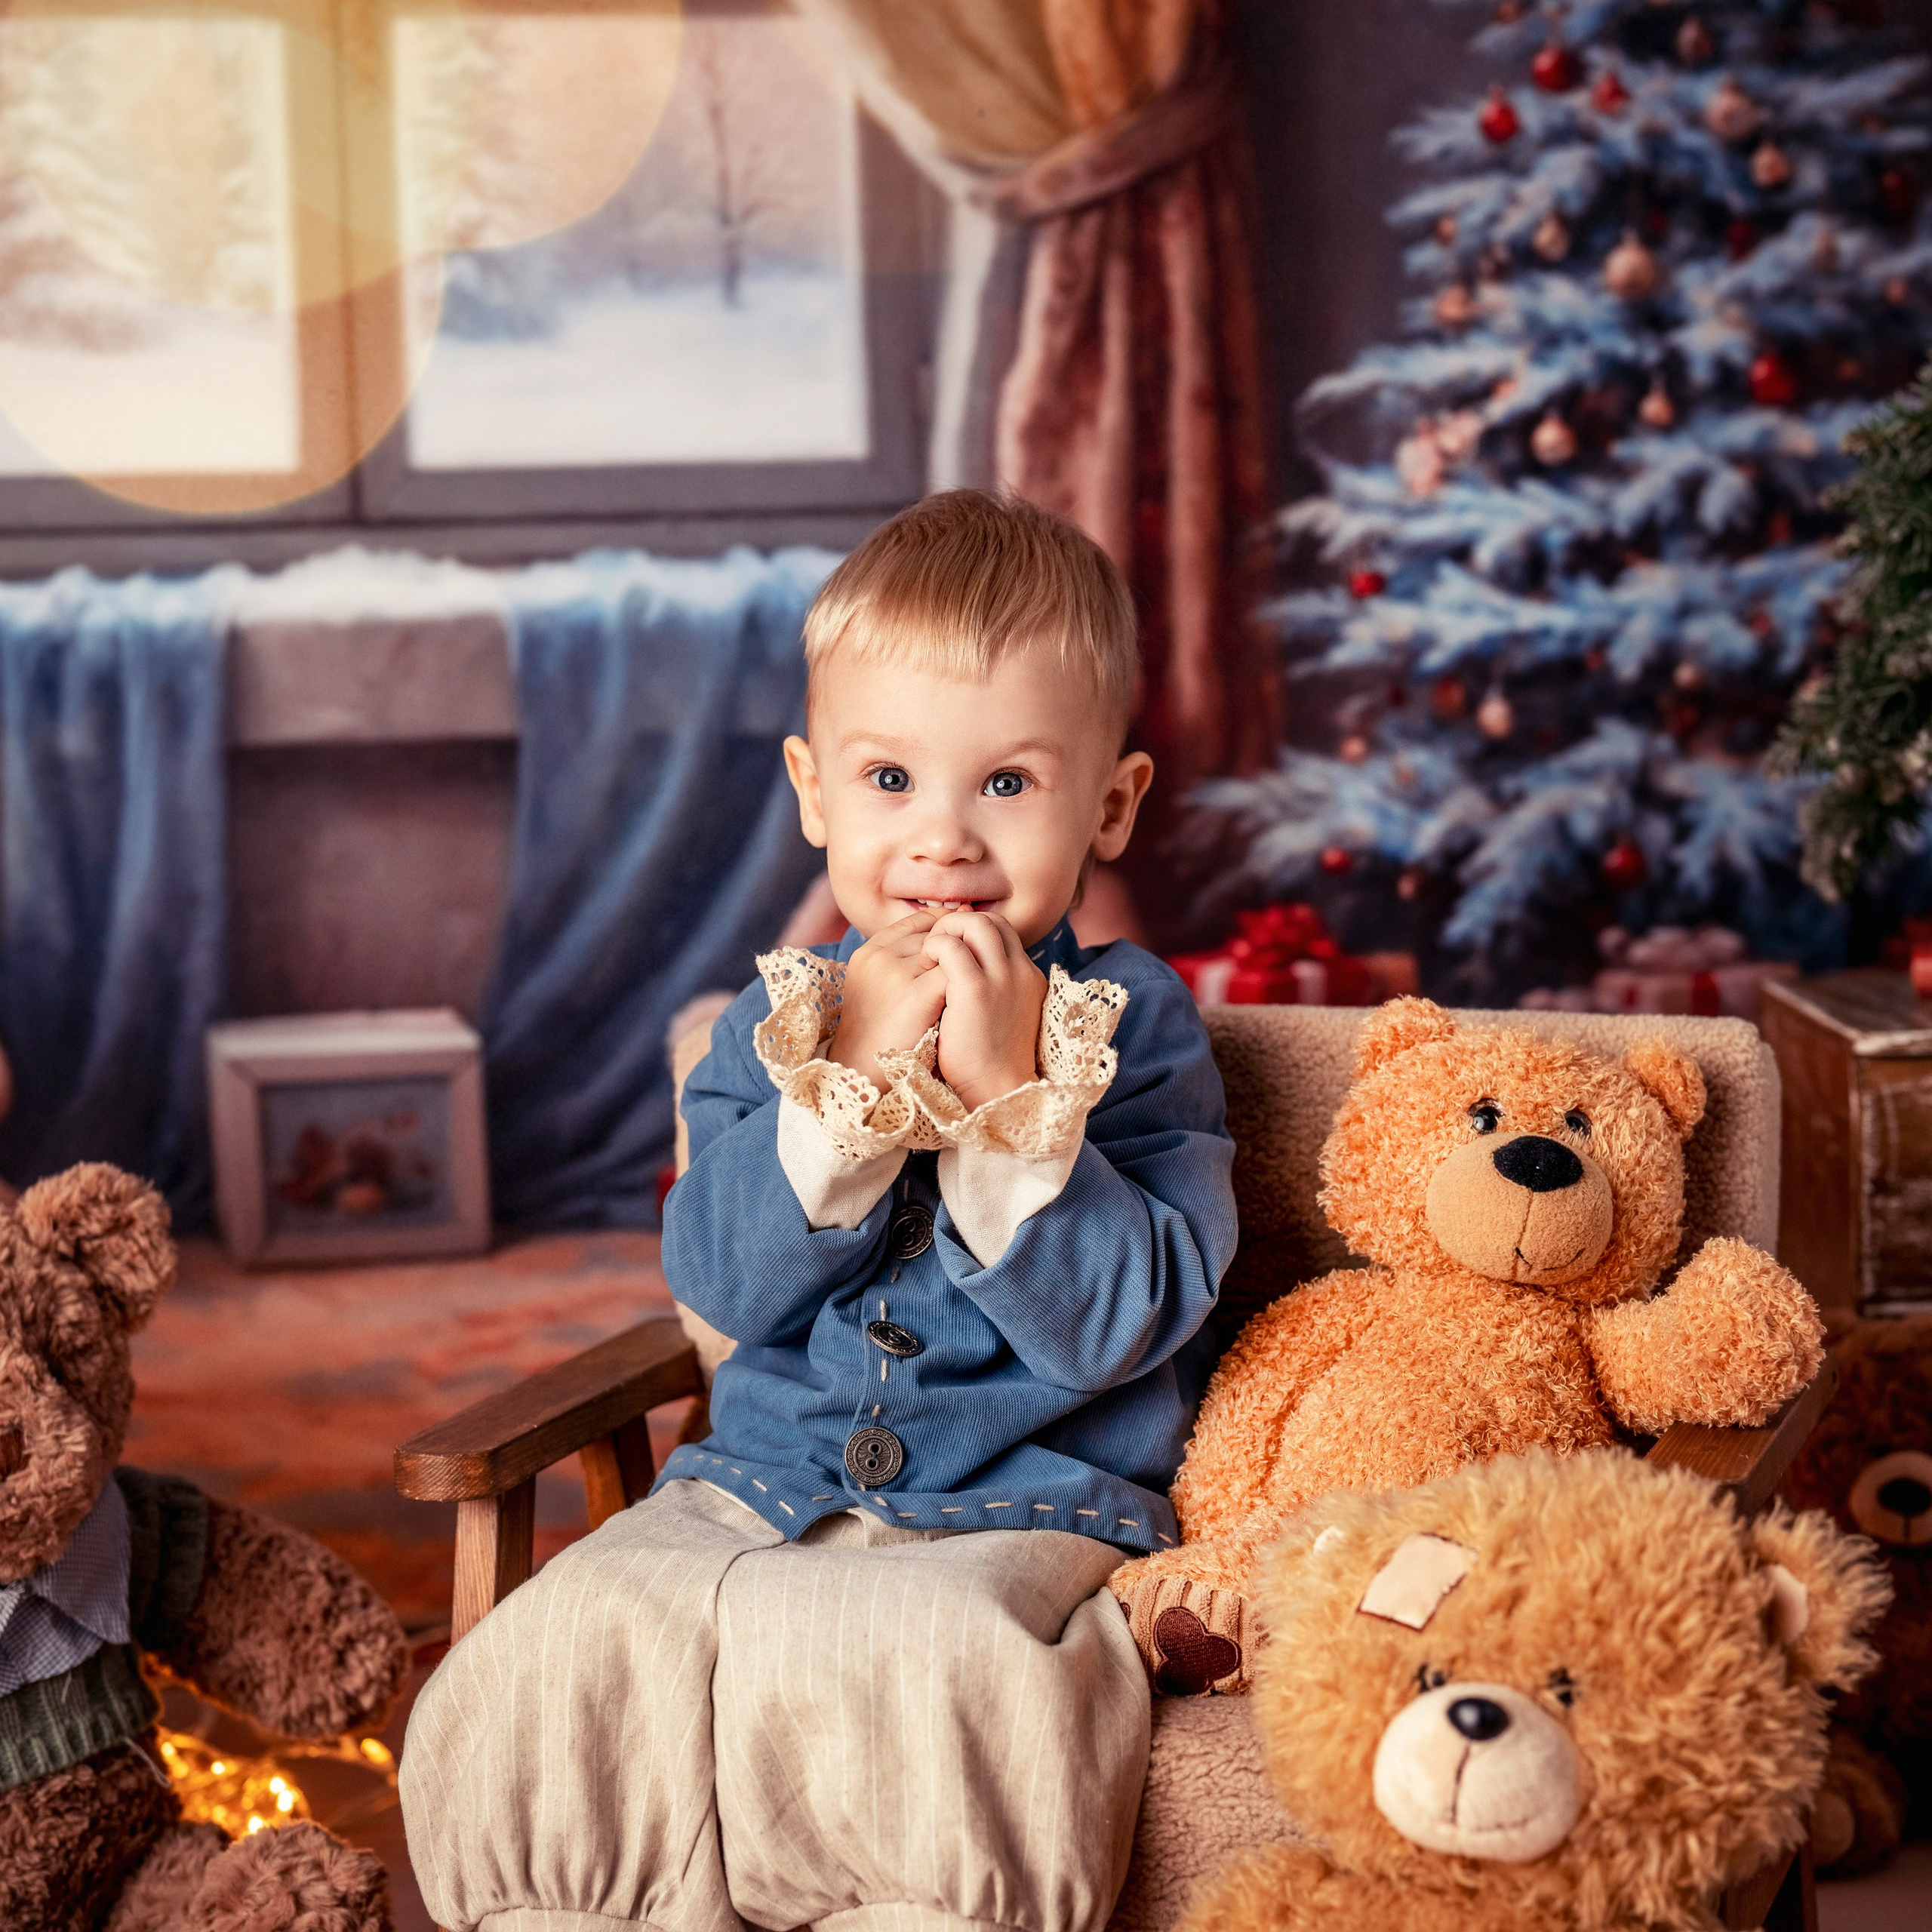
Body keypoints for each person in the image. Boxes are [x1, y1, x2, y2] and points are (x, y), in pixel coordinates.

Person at [400, 490, 1238, 1932]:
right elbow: (720, 1277)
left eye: (1010, 785)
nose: (946, 844)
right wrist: (837, 1097)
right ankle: (570, 1908)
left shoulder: (1131, 1028)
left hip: (1020, 1501)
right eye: (892, 780)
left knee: (929, 1653)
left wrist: (1001, 1108)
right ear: (814, 790)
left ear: (1110, 804)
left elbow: (1123, 1329)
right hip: (763, 1483)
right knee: (584, 1625)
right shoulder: (781, 1023)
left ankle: (909, 1907)